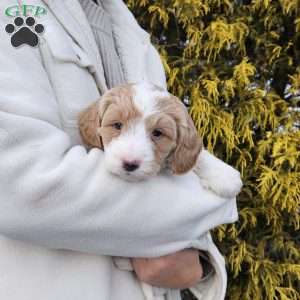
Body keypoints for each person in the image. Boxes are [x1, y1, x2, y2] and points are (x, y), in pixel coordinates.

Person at [0, 0, 238, 299]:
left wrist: (201, 261)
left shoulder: (132, 33)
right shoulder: (12, 10)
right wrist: (215, 204)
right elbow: (21, 188)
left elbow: (167, 164)